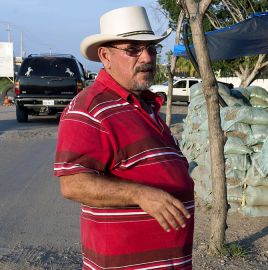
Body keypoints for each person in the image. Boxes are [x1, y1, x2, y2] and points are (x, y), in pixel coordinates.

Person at [53, 6, 194, 269]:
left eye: (151, 49)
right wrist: (141, 195)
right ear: (105, 56)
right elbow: (72, 184)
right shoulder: (90, 108)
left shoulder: (145, 106)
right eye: (133, 49)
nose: (147, 58)